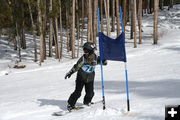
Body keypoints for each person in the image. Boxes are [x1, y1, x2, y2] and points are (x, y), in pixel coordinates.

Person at [65, 42, 107, 111]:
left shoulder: (96, 58)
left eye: (86, 51)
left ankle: (87, 102)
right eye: (84, 50)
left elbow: (104, 63)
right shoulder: (83, 59)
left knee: (90, 93)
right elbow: (76, 66)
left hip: (90, 78)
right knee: (78, 93)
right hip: (81, 78)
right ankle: (70, 104)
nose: (85, 52)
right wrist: (70, 72)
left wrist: (104, 60)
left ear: (91, 51)